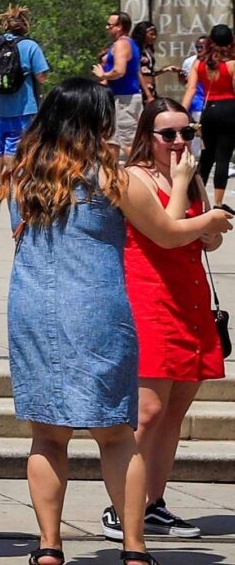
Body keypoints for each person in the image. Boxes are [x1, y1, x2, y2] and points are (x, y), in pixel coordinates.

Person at [4, 80, 228, 565]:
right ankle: (134, 547)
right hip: (97, 307)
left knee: (47, 435)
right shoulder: (111, 175)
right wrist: (209, 222)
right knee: (116, 435)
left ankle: (48, 546)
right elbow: (167, 234)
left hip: (31, 308)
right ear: (95, 120)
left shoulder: (21, 172)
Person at [118, 98, 224, 541]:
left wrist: (211, 223)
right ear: (148, 136)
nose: (179, 142)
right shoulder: (134, 177)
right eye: (169, 135)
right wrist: (187, 191)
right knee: (149, 410)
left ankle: (153, 502)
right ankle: (122, 506)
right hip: (150, 298)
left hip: (189, 297)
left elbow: (205, 241)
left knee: (175, 411)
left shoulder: (189, 173)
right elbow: (168, 232)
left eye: (187, 133)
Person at [0, 6, 49, 190]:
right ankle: (10, 182)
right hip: (24, 106)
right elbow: (41, 75)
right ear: (25, 25)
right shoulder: (30, 46)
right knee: (14, 143)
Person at [189, 23, 235, 207]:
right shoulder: (232, 64)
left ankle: (196, 199)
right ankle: (217, 202)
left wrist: (183, 112)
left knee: (206, 156)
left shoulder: (200, 63)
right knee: (223, 157)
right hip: (230, 110)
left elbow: (191, 90)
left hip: (209, 111)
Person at [97, 11, 147, 154]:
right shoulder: (122, 44)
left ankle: (144, 173)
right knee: (112, 142)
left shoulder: (122, 44)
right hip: (117, 99)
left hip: (125, 100)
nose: (107, 28)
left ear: (119, 26)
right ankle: (112, 175)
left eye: (109, 25)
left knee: (128, 143)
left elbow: (119, 71)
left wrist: (103, 74)